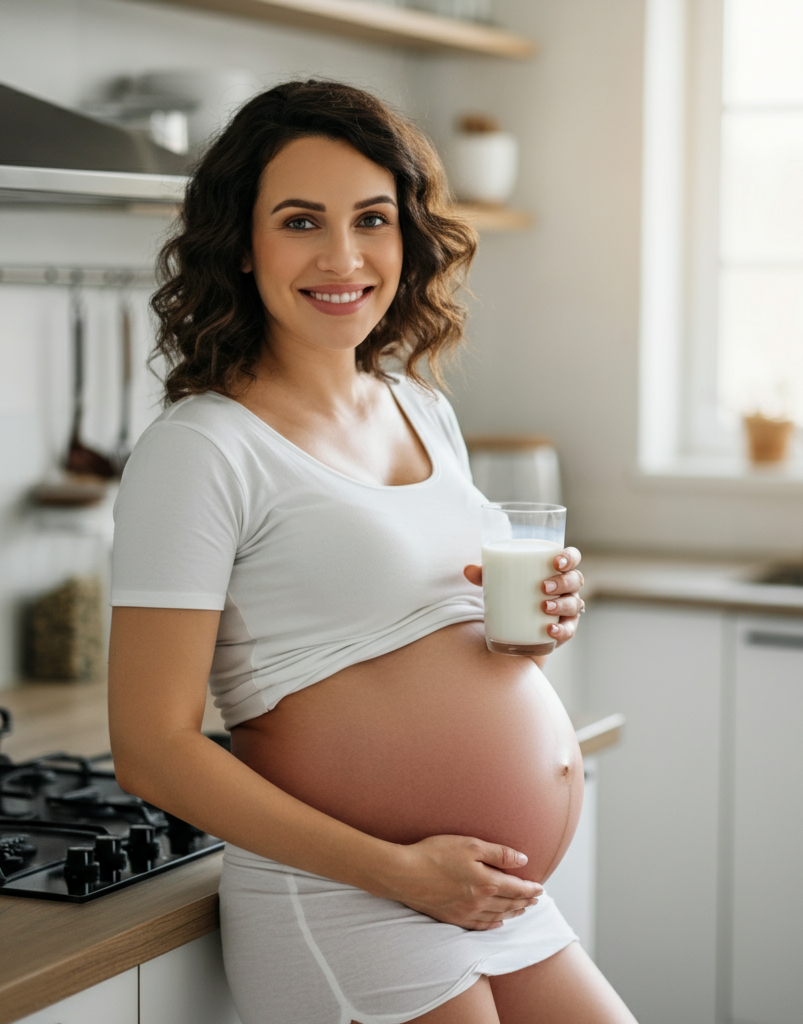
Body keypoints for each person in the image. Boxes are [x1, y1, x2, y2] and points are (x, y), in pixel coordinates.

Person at [107, 81, 636, 1024]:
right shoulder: (203, 448)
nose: (343, 256)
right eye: (302, 220)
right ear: (241, 242)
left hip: (487, 899)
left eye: (373, 219)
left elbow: (406, 641)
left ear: (408, 237)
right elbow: (152, 750)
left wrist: (523, 635)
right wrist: (400, 872)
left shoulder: (420, 407)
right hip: (357, 903)